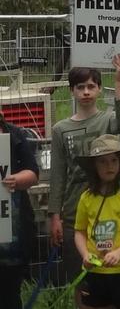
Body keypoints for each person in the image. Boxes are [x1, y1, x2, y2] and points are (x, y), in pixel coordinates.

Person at [49, 56, 120, 284]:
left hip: (108, 207)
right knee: (80, 278)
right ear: (72, 91)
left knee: (109, 275)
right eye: (80, 87)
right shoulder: (60, 129)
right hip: (75, 211)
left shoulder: (108, 120)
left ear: (97, 89)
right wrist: (54, 215)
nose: (86, 92)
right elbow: (58, 174)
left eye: (91, 86)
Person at [74, 134, 120, 309]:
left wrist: (119, 253)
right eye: (103, 162)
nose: (109, 166)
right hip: (95, 270)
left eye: (114, 160)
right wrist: (85, 254)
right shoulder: (86, 198)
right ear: (94, 166)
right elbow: (80, 232)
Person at [0, 112, 39, 309]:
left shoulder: (15, 135)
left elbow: (33, 173)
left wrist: (17, 180)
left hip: (12, 240)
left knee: (9, 297)